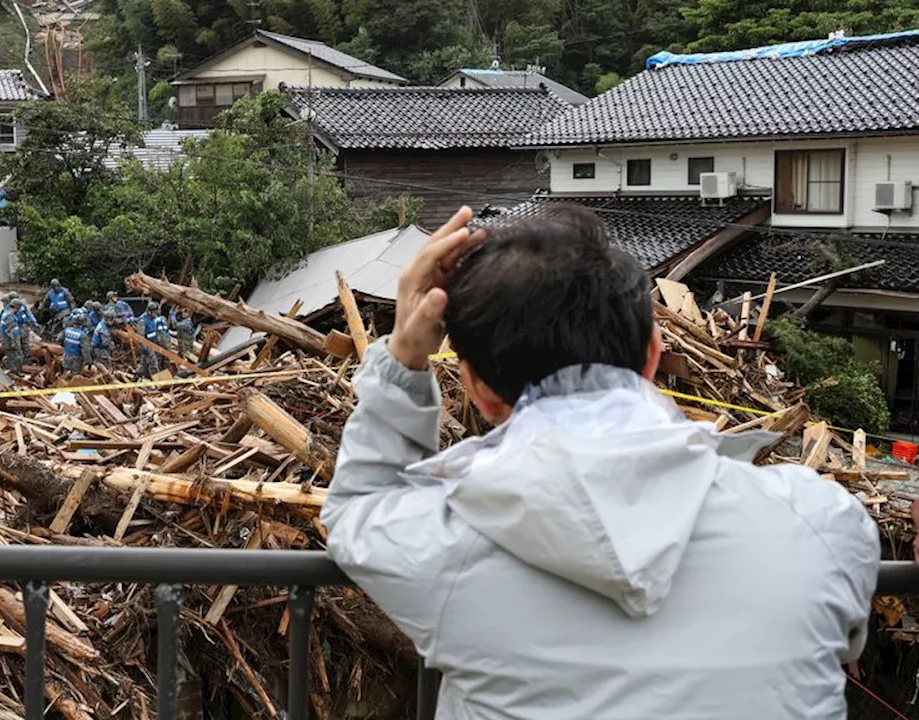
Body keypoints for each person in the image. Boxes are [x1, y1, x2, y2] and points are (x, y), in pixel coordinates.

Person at [321, 206, 880, 720]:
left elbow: (358, 507)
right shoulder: (818, 522)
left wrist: (403, 354)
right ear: (654, 354)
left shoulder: (442, 546)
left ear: (476, 389)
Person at [135, 301, 162, 377]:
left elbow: (154, 331)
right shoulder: (142, 321)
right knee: (153, 362)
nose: (156, 314)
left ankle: (136, 377)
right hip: (145, 345)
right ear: (149, 312)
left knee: (144, 364)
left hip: (152, 343)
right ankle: (157, 381)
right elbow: (141, 337)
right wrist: (144, 348)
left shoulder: (152, 319)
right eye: (155, 313)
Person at [61, 310, 88, 375]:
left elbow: (59, 339)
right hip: (76, 359)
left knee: (66, 374)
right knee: (75, 376)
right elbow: (85, 350)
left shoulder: (67, 330)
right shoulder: (82, 335)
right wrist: (88, 361)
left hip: (66, 356)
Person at [0, 300, 23, 372]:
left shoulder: (6, 313)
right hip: (10, 340)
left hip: (6, 339)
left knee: (10, 356)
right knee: (16, 356)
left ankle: (9, 369)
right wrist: (13, 343)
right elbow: (9, 331)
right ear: (17, 308)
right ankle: (13, 371)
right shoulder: (10, 316)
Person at [13, 298, 38, 362]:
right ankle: (20, 358)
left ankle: (26, 358)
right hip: (17, 327)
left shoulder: (23, 308)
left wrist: (34, 322)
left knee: (25, 343)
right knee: (18, 344)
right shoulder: (11, 311)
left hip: (24, 327)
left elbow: (29, 314)